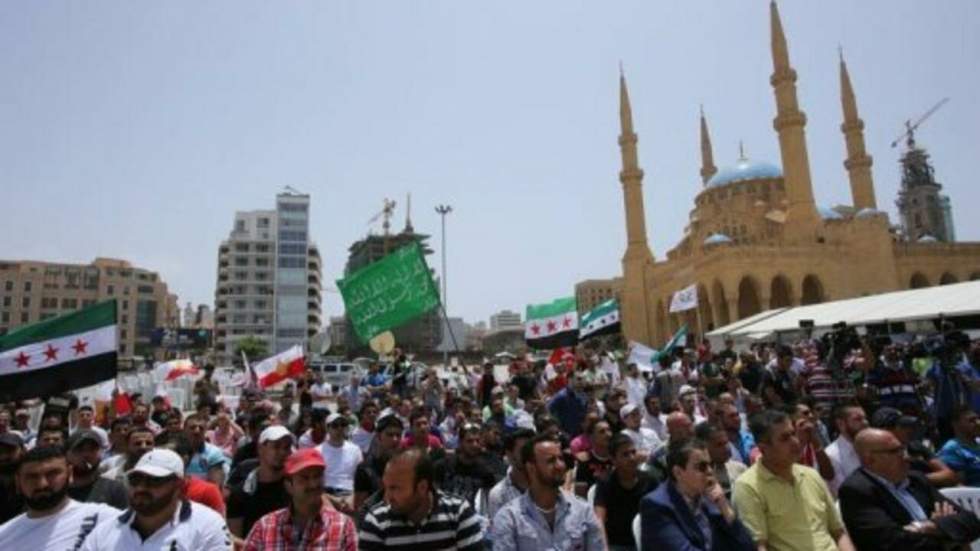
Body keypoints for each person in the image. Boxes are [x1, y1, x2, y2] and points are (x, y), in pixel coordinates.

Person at [839, 427, 980, 551]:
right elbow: (892, 544)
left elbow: (971, 521)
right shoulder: (856, 491)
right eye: (895, 451)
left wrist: (928, 526)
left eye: (903, 448)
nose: (906, 457)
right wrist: (947, 535)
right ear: (869, 459)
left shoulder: (916, 480)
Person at [732, 409, 855, 551]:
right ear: (764, 449)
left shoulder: (811, 475)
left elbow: (838, 532)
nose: (795, 442)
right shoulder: (748, 487)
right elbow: (759, 546)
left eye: (793, 434)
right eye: (785, 438)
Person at [80, 448, 232, 550]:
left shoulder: (208, 525)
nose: (141, 488)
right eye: (135, 480)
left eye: (154, 480)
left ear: (180, 485)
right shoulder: (104, 532)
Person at [491, 434, 605, 550]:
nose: (560, 466)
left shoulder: (583, 511)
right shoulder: (510, 518)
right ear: (531, 468)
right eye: (551, 461)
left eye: (560, 458)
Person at [640, 438, 755, 551]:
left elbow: (747, 547)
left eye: (711, 464)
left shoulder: (711, 498)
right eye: (702, 467)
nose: (710, 471)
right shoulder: (656, 506)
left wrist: (725, 507)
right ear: (678, 472)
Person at [359, 448, 484, 550]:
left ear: (422, 487)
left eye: (395, 488)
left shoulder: (457, 512)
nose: (388, 497)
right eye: (386, 487)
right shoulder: (376, 520)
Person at [0, 445, 119, 547]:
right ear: (18, 481)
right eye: (32, 477)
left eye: (52, 474)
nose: (42, 484)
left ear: (70, 474)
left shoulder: (104, 519)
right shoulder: (4, 536)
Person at [243, 448, 358, 550]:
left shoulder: (343, 526)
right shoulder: (265, 527)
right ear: (289, 486)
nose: (313, 484)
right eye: (304, 478)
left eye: (317, 476)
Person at [227, 425, 294, 544]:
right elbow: (234, 538)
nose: (283, 452)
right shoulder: (241, 493)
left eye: (287, 447)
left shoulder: (297, 488)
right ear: (260, 449)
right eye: (276, 446)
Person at [595, 433, 657, 551]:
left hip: (648, 542)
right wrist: (604, 548)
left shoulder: (650, 480)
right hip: (617, 544)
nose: (632, 458)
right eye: (625, 455)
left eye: (633, 452)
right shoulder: (605, 482)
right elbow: (599, 520)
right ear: (613, 460)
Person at [870, 406, 957, 487]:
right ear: (886, 429)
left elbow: (948, 475)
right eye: (903, 426)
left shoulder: (916, 447)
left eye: (909, 426)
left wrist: (915, 479)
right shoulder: (878, 454)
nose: (909, 430)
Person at [435, 422, 498, 506]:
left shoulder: (485, 472)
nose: (474, 445)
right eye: (470, 441)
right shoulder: (443, 466)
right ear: (460, 443)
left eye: (477, 441)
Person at [164, 433, 227, 516]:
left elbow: (219, 526)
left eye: (167, 455)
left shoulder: (207, 491)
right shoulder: (147, 488)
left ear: (184, 459)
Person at [353, 414, 404, 516]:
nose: (395, 439)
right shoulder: (365, 469)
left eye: (398, 435)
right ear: (379, 437)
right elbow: (360, 508)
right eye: (390, 435)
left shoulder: (407, 467)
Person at [65, 429, 128, 509]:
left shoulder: (115, 490)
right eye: (79, 450)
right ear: (67, 454)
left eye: (92, 449)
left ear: (101, 452)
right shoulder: (57, 491)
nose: (86, 454)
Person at [485, 428, 535, 524]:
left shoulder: (546, 485)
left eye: (531, 450)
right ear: (510, 455)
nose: (529, 455)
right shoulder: (499, 495)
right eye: (523, 451)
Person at [320, 413, 362, 511]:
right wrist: (331, 499)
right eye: (335, 425)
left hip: (350, 494)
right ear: (327, 428)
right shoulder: (318, 451)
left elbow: (360, 478)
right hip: (326, 493)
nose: (340, 428)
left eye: (343, 424)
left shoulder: (355, 449)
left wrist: (352, 497)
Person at [694, 422, 747, 500]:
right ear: (703, 447)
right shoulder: (697, 478)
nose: (726, 448)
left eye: (726, 442)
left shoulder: (740, 469)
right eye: (719, 445)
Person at [825, 404, 869, 496]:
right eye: (858, 419)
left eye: (865, 418)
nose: (865, 423)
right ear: (841, 424)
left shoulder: (871, 448)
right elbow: (842, 493)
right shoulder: (831, 456)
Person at [937, 405, 980, 486]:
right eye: (971, 420)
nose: (978, 423)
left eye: (978, 419)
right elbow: (958, 485)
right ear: (955, 424)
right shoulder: (952, 449)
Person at [183, 413, 229, 487]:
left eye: (201, 428)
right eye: (192, 427)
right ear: (184, 430)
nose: (197, 431)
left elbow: (215, 486)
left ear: (205, 431)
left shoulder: (214, 453)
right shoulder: (175, 452)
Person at [574, 419, 613, 498]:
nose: (608, 434)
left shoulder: (617, 458)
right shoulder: (585, 460)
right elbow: (580, 494)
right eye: (602, 432)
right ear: (591, 437)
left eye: (609, 430)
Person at [548, 371, 590, 438]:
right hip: (567, 434)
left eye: (584, 379)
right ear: (570, 379)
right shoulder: (561, 396)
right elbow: (548, 412)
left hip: (581, 434)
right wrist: (560, 430)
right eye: (579, 379)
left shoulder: (584, 395)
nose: (582, 381)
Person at [0, 432, 26, 524]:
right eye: (0, 452)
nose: (3, 456)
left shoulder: (32, 477)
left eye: (9, 450)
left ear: (23, 450)